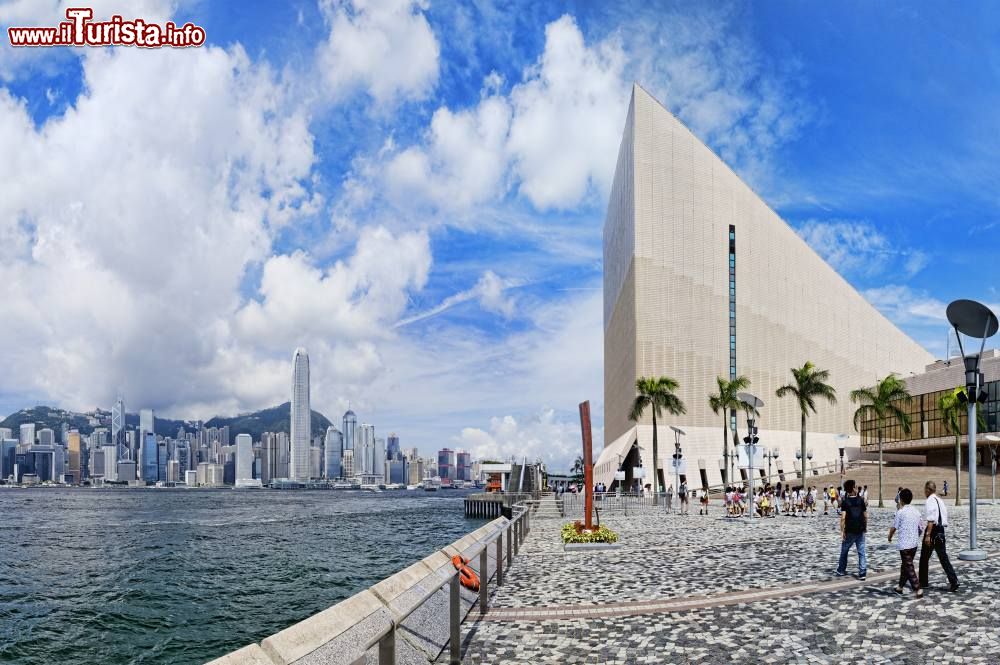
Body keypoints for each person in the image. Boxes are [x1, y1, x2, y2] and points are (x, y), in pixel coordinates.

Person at [919, 480, 959, 592]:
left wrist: (927, 535)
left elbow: (931, 519)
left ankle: (923, 582)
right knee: (943, 558)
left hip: (933, 531)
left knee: (924, 558)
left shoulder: (930, 501)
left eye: (924, 489)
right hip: (941, 530)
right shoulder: (939, 500)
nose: (924, 492)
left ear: (928, 489)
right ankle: (954, 580)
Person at [888, 487, 923, 598]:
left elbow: (894, 527)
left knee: (908, 566)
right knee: (906, 566)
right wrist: (916, 535)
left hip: (904, 545)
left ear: (901, 499)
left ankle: (917, 589)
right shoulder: (916, 511)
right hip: (914, 543)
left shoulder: (900, 512)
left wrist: (889, 537)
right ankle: (900, 587)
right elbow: (921, 527)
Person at [836, 479, 867, 580]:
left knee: (844, 550)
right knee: (861, 551)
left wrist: (842, 531)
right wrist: (865, 527)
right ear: (853, 488)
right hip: (860, 529)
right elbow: (865, 515)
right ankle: (862, 573)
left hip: (850, 530)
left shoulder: (845, 501)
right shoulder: (861, 500)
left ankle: (841, 570)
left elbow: (843, 517)